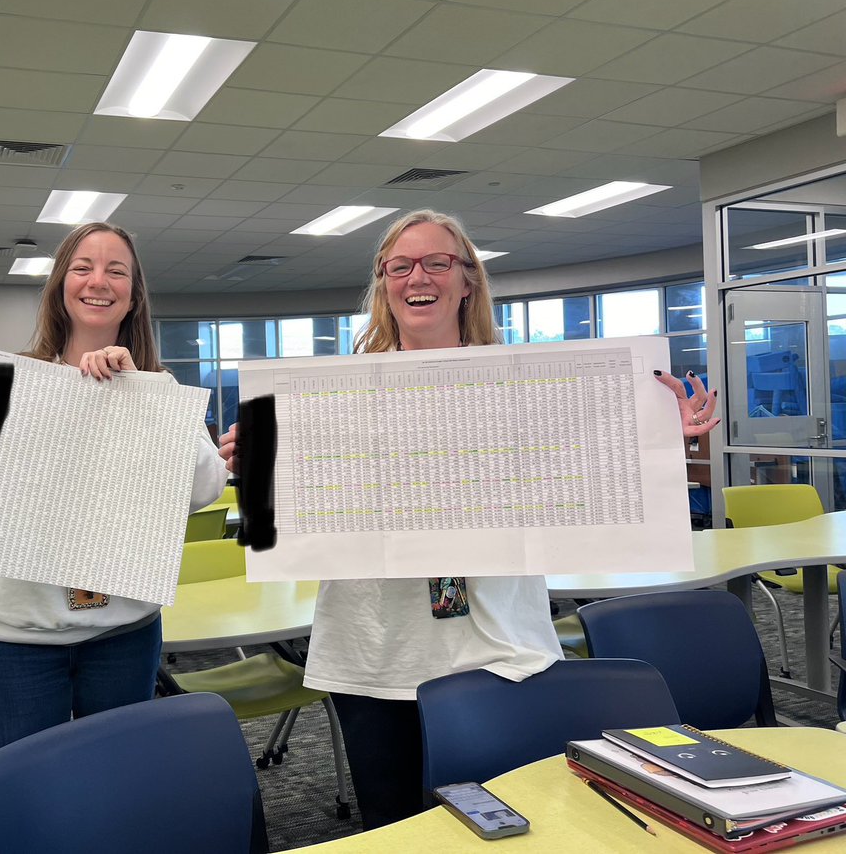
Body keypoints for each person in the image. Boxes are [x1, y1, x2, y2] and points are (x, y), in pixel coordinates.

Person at [218, 209, 719, 829]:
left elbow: (594, 470)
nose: (416, 276)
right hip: (375, 654)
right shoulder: (332, 394)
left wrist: (661, 437)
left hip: (494, 649)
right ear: (383, 284)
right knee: (396, 826)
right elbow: (293, 515)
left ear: (467, 281)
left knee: (509, 825)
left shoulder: (526, 387)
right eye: (398, 266)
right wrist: (258, 461)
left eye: (436, 261)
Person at [0, 221, 225, 752]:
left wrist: (141, 395)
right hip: (19, 640)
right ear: (60, 287)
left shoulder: (158, 389)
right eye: (83, 267)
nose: (98, 280)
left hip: (124, 633)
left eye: (115, 270)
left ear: (133, 297)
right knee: (29, 794)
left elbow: (204, 487)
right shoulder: (8, 386)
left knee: (120, 784)